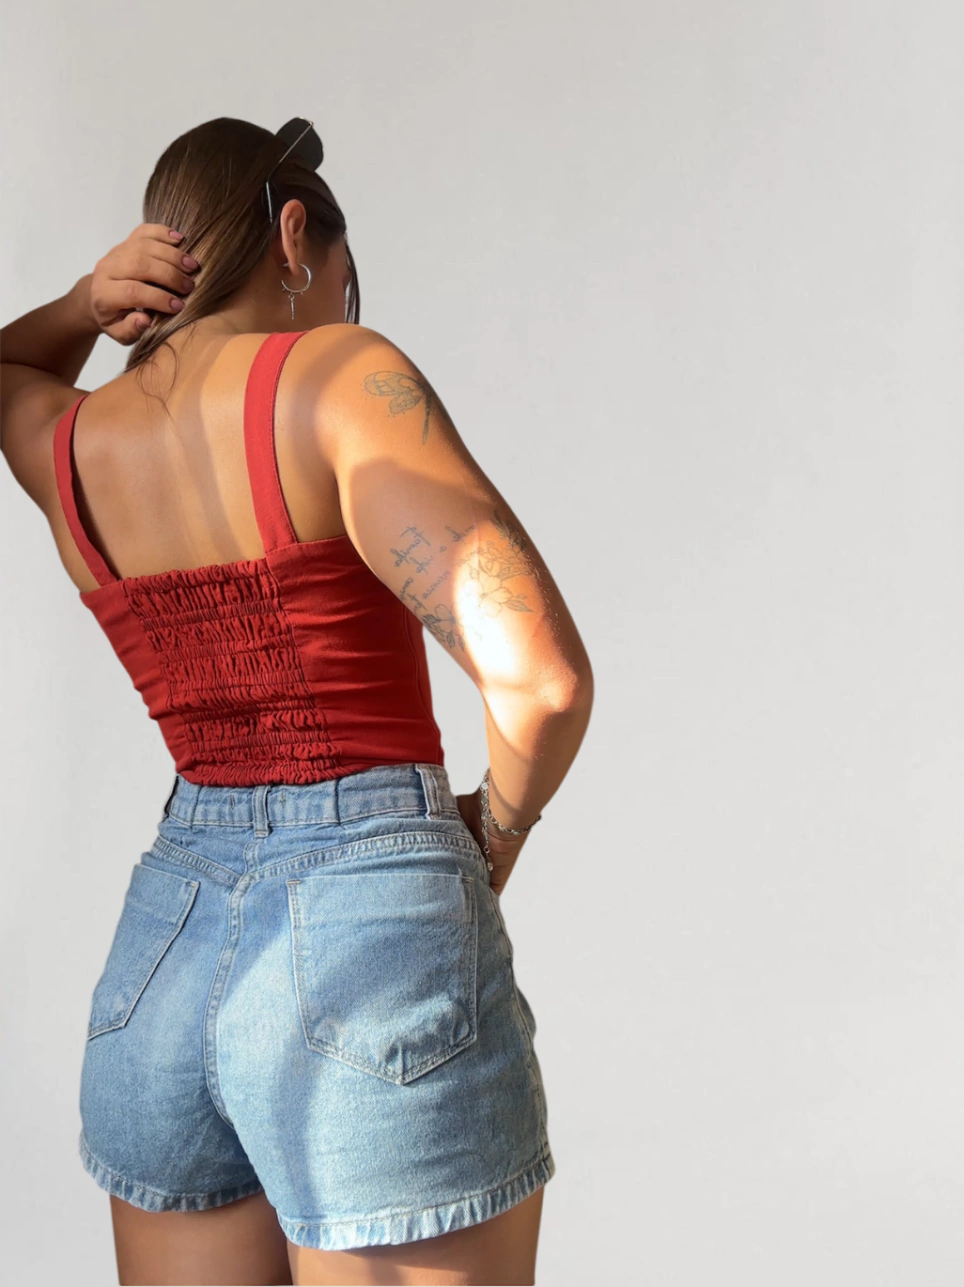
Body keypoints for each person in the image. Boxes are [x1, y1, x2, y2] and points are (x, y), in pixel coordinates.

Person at [0, 116, 594, 1286]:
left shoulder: (71, 443)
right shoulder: (337, 376)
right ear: (291, 236)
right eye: (337, 274)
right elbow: (541, 681)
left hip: (165, 953)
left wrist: (79, 305)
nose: (332, 304)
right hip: (370, 930)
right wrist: (494, 836)